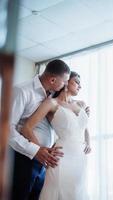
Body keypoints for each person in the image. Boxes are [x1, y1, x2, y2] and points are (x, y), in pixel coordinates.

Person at [20, 71, 91, 200]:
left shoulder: (81, 104)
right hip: (61, 157)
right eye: (77, 82)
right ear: (66, 81)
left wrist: (88, 143)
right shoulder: (51, 103)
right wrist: (41, 150)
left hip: (80, 158)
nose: (80, 86)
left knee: (77, 192)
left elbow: (84, 128)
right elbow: (27, 128)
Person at [9, 59, 70, 200]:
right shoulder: (22, 91)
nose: (65, 85)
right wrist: (35, 150)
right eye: (64, 81)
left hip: (42, 159)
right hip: (22, 156)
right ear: (53, 80)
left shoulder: (52, 95)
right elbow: (6, 130)